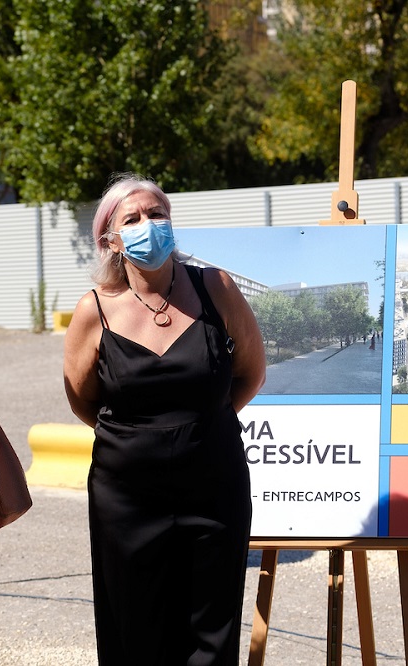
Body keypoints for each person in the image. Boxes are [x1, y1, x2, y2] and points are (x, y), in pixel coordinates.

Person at [63, 174, 266, 665]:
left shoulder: (215, 287)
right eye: (133, 219)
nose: (148, 225)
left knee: (212, 632)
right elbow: (82, 400)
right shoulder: (94, 311)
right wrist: (141, 437)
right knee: (134, 629)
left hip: (214, 486)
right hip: (126, 498)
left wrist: (200, 427)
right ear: (110, 240)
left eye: (157, 214)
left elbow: (251, 374)